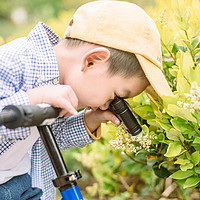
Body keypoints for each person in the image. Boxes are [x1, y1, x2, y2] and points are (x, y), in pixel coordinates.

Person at [0, 1, 173, 199]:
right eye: (115, 96)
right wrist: (34, 99)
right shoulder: (12, 63)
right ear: (92, 61)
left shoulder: (57, 81)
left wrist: (91, 119)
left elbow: (43, 139)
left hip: (20, 186)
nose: (108, 104)